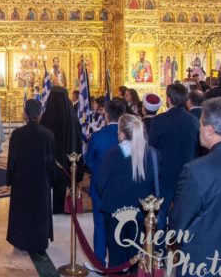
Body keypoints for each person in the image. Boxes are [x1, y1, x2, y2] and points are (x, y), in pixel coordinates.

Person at [169, 98, 221, 274]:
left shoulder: (195, 171)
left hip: (204, 265)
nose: (199, 129)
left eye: (201, 124)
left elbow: (178, 225)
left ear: (210, 130)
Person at [96, 114, 157, 269]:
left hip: (115, 212)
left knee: (115, 255)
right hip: (140, 212)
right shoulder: (150, 153)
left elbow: (100, 183)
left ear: (122, 133)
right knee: (135, 255)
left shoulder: (113, 153)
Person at [6, 99, 56, 255]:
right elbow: (51, 162)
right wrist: (50, 181)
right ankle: (40, 241)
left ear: (25, 114)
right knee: (39, 212)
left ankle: (21, 240)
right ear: (40, 114)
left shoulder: (17, 134)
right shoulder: (48, 134)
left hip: (21, 182)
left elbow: (12, 160)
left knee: (22, 212)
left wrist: (10, 179)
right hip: (41, 183)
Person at [85, 99, 126, 266]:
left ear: (106, 115)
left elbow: (89, 162)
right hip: (123, 187)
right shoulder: (130, 135)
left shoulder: (98, 137)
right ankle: (120, 262)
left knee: (100, 224)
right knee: (122, 223)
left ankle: (99, 261)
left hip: (100, 188)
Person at [148, 83, 199, 220]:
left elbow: (151, 148)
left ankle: (161, 233)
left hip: (164, 174)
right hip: (187, 173)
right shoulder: (194, 121)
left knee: (161, 214)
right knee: (184, 214)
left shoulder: (159, 120)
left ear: (169, 99)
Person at [40, 86, 84, 214]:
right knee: (66, 183)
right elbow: (78, 141)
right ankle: (67, 207)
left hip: (51, 163)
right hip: (68, 162)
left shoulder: (46, 118)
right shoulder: (73, 118)